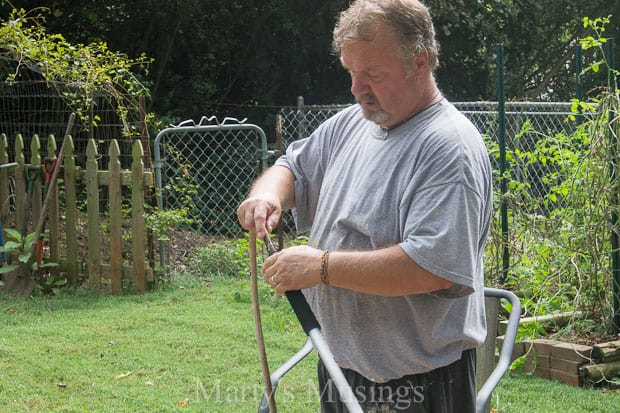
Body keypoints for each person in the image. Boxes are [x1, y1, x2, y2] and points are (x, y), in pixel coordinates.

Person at [237, 0, 492, 411]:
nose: (357, 89)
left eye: (373, 74)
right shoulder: (353, 122)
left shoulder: (448, 147)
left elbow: (431, 266)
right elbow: (291, 168)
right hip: (342, 366)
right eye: (352, 73)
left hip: (418, 385)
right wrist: (267, 195)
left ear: (420, 61)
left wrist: (321, 267)